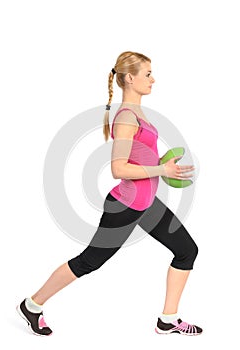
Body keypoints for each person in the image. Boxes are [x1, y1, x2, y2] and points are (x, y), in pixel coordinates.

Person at [17, 51, 203, 336]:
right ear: (130, 78)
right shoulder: (127, 117)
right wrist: (161, 171)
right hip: (125, 206)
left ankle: (168, 319)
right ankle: (32, 304)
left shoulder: (138, 113)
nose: (154, 79)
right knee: (89, 261)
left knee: (186, 250)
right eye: (148, 74)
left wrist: (160, 166)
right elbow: (119, 169)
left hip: (146, 203)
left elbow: (139, 160)